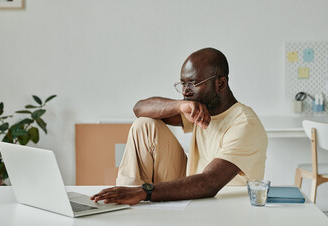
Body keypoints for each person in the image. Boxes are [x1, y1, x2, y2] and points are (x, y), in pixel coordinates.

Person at [91, 47, 268, 205]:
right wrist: (179, 106)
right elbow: (139, 109)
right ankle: (123, 200)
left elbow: (209, 183)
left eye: (192, 83)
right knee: (144, 125)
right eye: (182, 84)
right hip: (192, 185)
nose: (185, 91)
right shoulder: (200, 109)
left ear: (220, 84)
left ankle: (134, 194)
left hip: (221, 202)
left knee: (144, 188)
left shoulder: (244, 124)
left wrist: (145, 191)